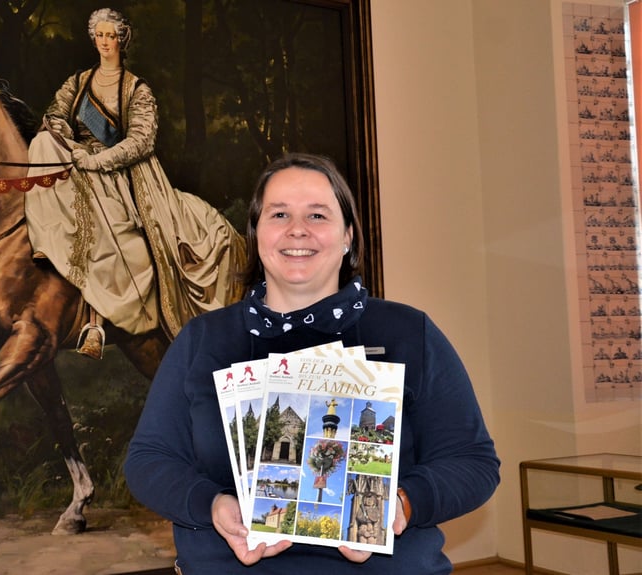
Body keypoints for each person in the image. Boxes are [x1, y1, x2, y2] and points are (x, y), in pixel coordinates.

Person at [124, 153, 500, 574]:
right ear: (257, 234)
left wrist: (400, 506)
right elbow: (148, 460)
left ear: (348, 236)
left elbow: (474, 462)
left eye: (318, 215)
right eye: (279, 213)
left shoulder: (409, 333)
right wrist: (212, 506)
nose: (297, 229)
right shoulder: (202, 340)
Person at [25, 8, 244, 359]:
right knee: (41, 143)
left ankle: (97, 323)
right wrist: (69, 139)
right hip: (79, 162)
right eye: (99, 35)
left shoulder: (136, 89)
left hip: (125, 172)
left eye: (111, 36)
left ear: (122, 40)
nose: (105, 42)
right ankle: (46, 240)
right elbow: (54, 117)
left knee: (114, 228)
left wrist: (98, 160)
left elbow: (141, 141)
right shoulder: (78, 82)